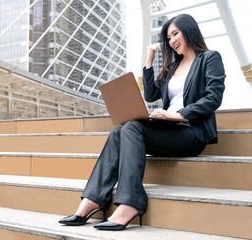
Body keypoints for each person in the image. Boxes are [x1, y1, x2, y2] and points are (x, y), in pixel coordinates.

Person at [58, 13, 225, 231]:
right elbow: (151, 95)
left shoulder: (210, 58)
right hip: (168, 129)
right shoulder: (174, 67)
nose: (172, 41)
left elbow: (214, 98)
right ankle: (93, 199)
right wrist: (149, 62)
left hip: (191, 132)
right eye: (169, 37)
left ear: (190, 31)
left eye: (176, 33)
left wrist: (178, 114)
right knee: (119, 131)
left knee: (132, 127)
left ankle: (131, 203)